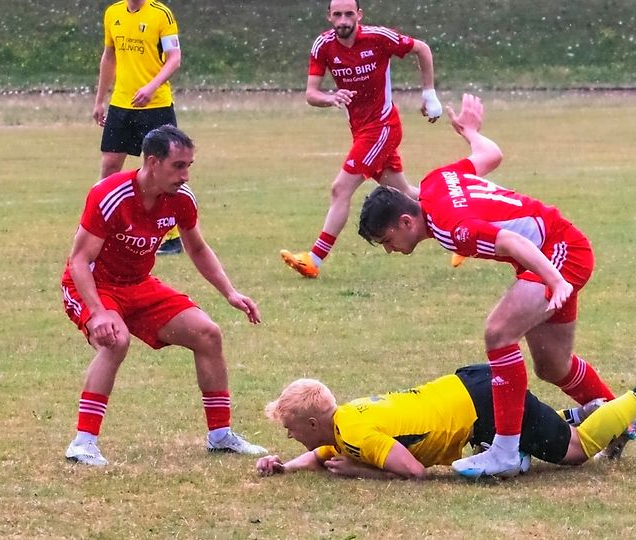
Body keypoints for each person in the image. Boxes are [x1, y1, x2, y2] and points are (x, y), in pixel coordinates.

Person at [357, 94, 626, 478]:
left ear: (405, 222)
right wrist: (471, 132)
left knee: (498, 334)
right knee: (553, 365)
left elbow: (512, 241)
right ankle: (620, 419)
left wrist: (555, 280)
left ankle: (504, 451)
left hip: (558, 252)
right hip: (554, 250)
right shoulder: (434, 182)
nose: (389, 249)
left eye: (387, 240)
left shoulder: (453, 228)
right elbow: (490, 155)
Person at [61, 125, 267, 466]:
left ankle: (220, 436)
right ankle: (83, 443)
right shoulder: (110, 195)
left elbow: (197, 248)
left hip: (138, 284)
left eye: (189, 166)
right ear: (153, 162)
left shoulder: (181, 199)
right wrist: (97, 312)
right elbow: (80, 261)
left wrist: (230, 292)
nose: (185, 175)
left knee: (208, 333)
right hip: (94, 285)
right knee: (115, 341)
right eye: (178, 166)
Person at [256, 359, 636, 479]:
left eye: (290, 429)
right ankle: (583, 413)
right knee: (531, 437)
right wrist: (283, 467)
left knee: (576, 451)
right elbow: (325, 454)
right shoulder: (344, 421)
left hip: (481, 405)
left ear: (313, 424)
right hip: (469, 389)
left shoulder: (357, 435)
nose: (289, 436)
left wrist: (360, 472)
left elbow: (414, 471)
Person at [279, 0, 443, 278]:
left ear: (359, 15)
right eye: (338, 14)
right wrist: (331, 98)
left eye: (349, 14)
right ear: (329, 17)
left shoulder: (378, 38)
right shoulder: (323, 46)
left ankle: (314, 260)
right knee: (409, 194)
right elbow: (311, 94)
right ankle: (461, 222)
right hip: (361, 131)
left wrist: (429, 94)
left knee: (340, 189)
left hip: (383, 127)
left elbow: (422, 48)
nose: (343, 20)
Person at [94, 0, 184, 255]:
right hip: (121, 104)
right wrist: (99, 100)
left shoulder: (161, 14)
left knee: (161, 170)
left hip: (156, 105)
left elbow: (174, 59)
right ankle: (102, 229)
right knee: (109, 166)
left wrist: (151, 87)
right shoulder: (113, 13)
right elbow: (109, 56)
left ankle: (171, 237)